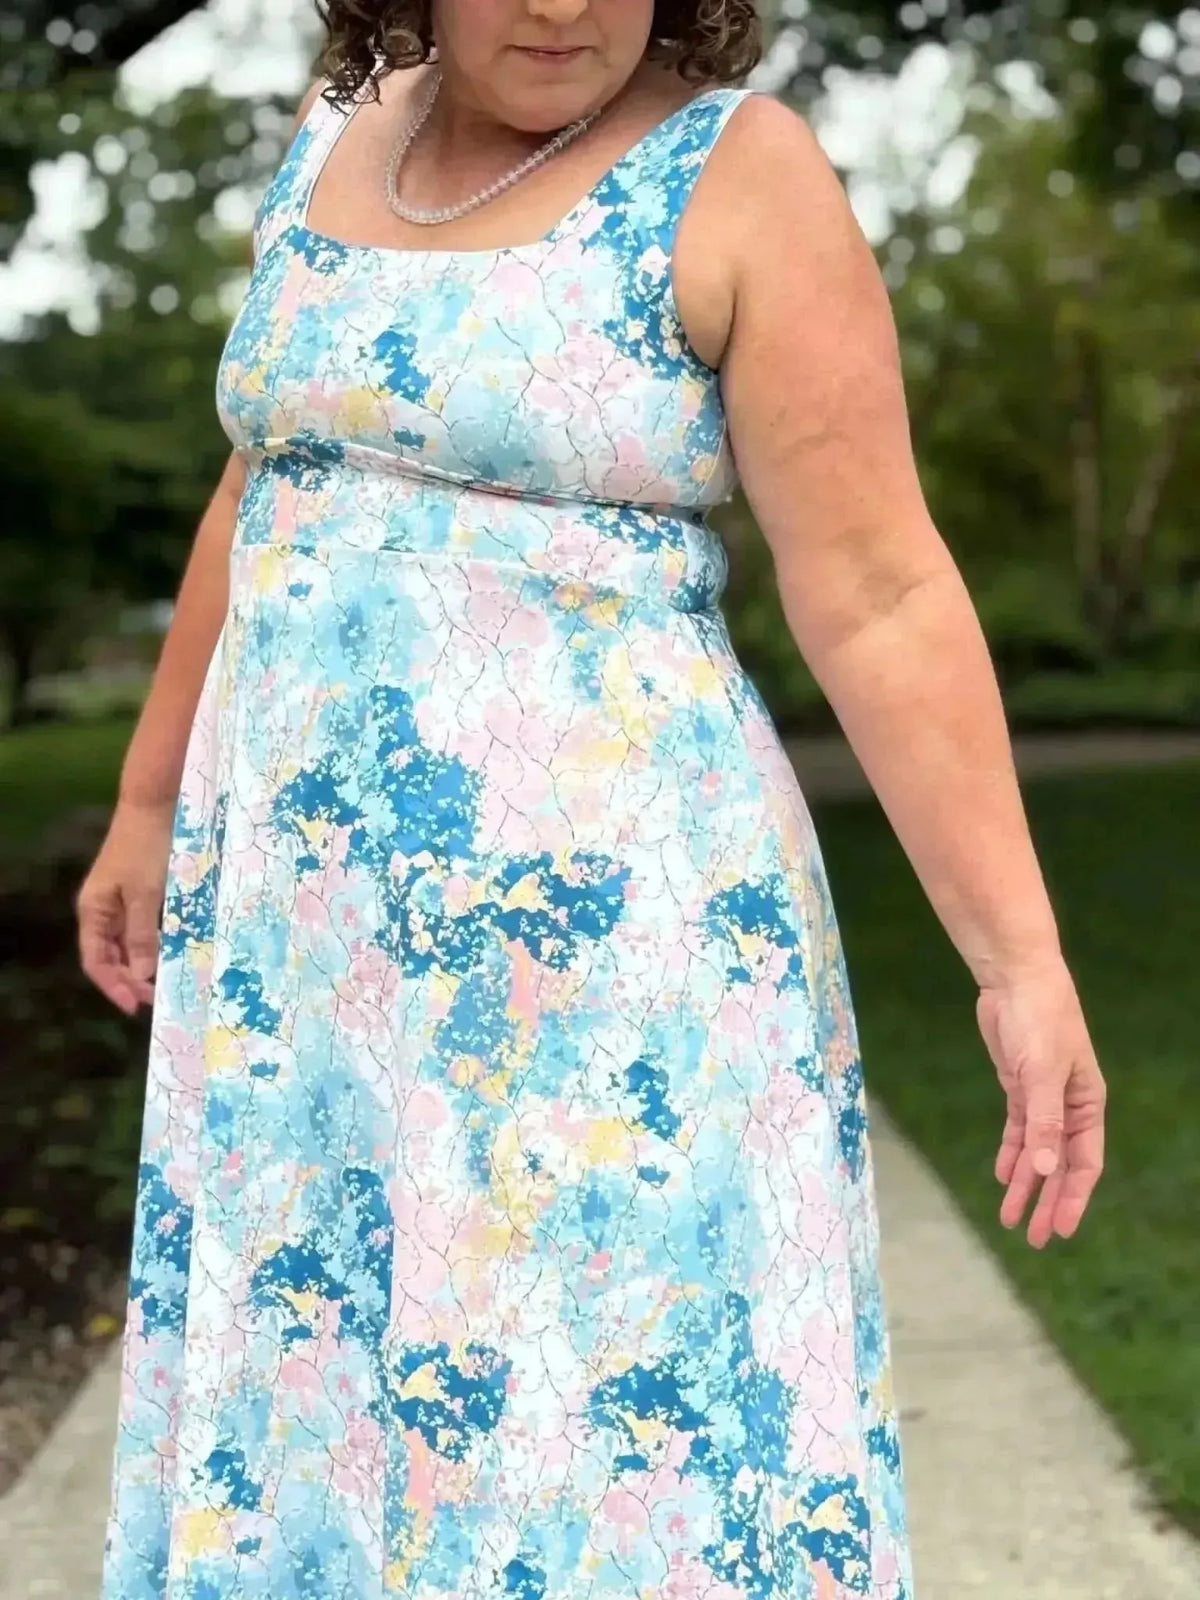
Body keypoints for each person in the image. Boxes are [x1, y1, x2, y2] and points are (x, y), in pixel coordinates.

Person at [82, 2, 1107, 1597]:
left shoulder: (741, 177)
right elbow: (269, 472)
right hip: (314, 967)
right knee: (324, 1412)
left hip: (606, 961)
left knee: (597, 1425)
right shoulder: (343, 128)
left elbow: (883, 592)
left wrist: (1020, 961)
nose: (561, 4)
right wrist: (148, 801)